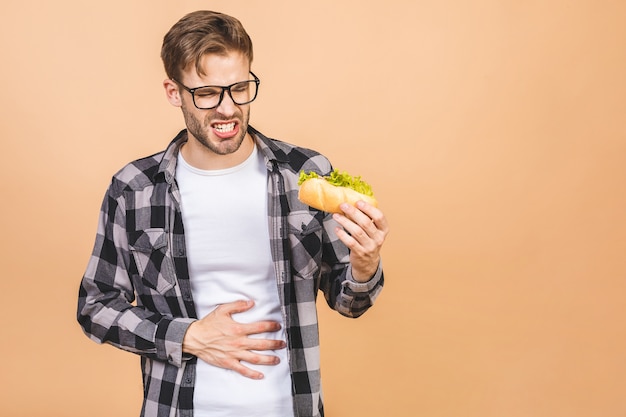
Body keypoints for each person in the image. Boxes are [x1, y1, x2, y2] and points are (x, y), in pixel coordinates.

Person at [77, 10, 388, 417]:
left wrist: (365, 265)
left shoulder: (305, 175)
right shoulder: (135, 187)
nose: (228, 109)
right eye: (207, 93)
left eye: (239, 88)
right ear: (174, 92)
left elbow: (350, 303)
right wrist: (188, 336)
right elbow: (96, 306)